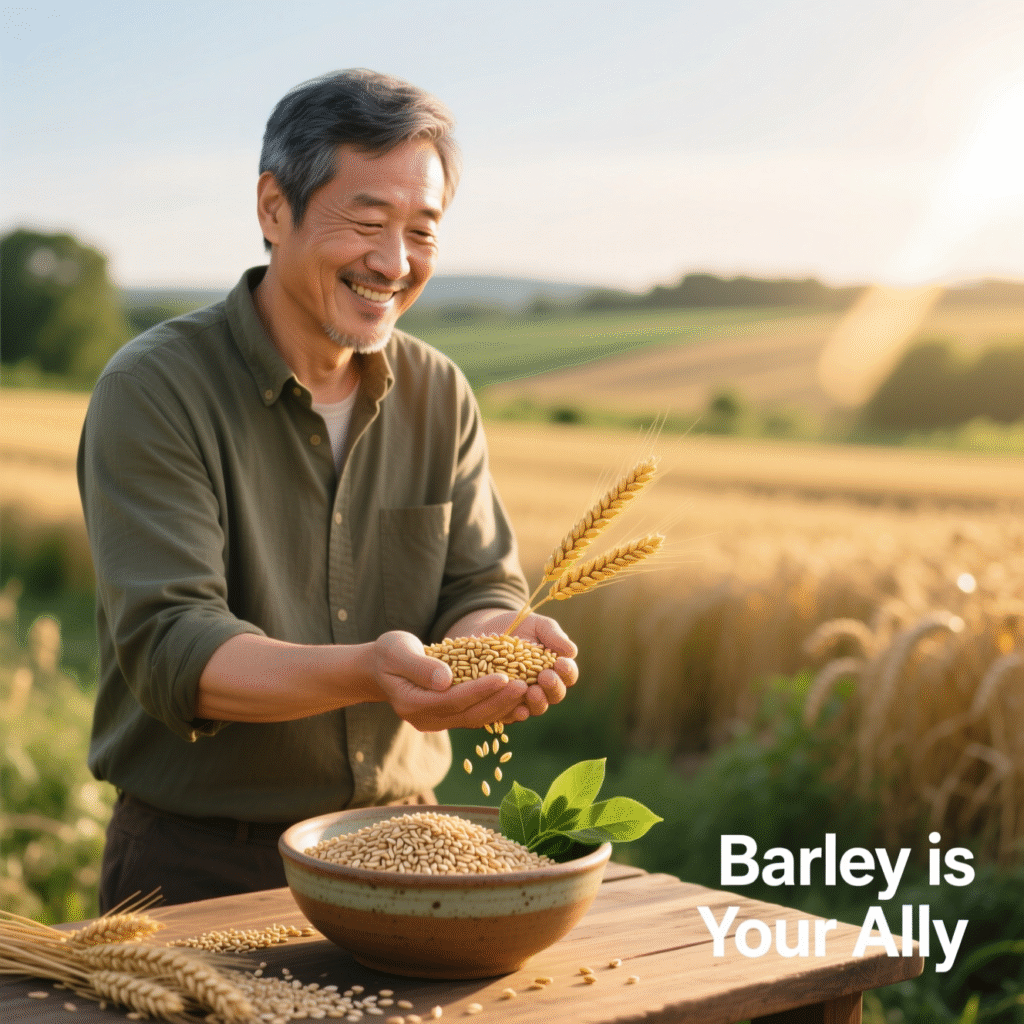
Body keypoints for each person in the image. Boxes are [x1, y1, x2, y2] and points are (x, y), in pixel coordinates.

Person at [77, 68, 578, 910]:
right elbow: (174, 646)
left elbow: (477, 586)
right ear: (275, 208)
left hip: (409, 851)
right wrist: (372, 671)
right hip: (204, 865)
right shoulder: (155, 388)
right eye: (367, 222)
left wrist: (500, 641)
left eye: (423, 230)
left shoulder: (439, 391)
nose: (394, 263)